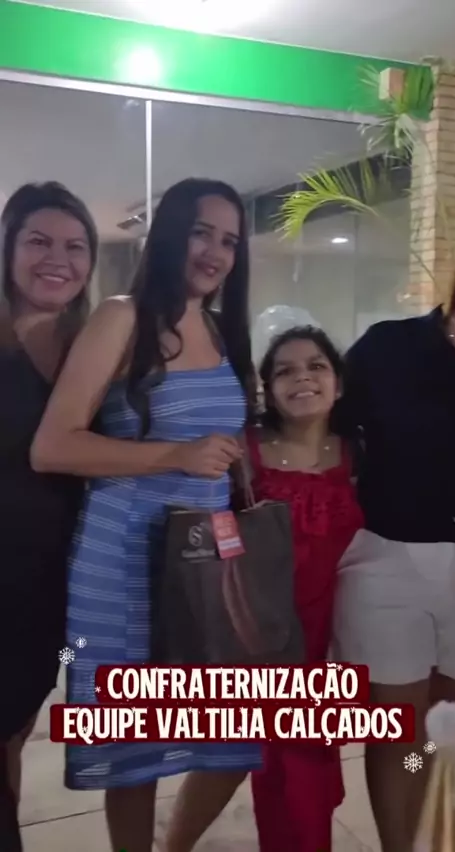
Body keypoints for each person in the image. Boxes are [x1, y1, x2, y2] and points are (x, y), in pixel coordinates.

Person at [31, 178, 261, 852]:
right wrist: (176, 455)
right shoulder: (122, 318)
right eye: (201, 232)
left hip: (203, 563)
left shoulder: (219, 329)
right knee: (133, 750)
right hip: (125, 561)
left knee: (227, 733)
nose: (215, 252)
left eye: (229, 240)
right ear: (168, 235)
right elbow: (53, 446)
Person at [333, 242, 455, 852]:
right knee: (398, 731)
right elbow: (329, 426)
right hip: (386, 560)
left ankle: (420, 826)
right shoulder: (388, 346)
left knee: (436, 731)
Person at [0, 182, 98, 848]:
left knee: (15, 726)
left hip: (52, 581)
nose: (57, 259)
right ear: (9, 250)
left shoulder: (90, 346)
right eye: (38, 241)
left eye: (75, 246)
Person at [247, 325, 364, 852]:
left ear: (338, 383)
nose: (303, 378)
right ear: (268, 390)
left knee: (309, 771)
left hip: (330, 641)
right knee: (260, 767)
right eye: (285, 371)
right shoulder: (243, 454)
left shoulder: (361, 454)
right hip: (260, 642)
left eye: (316, 366)